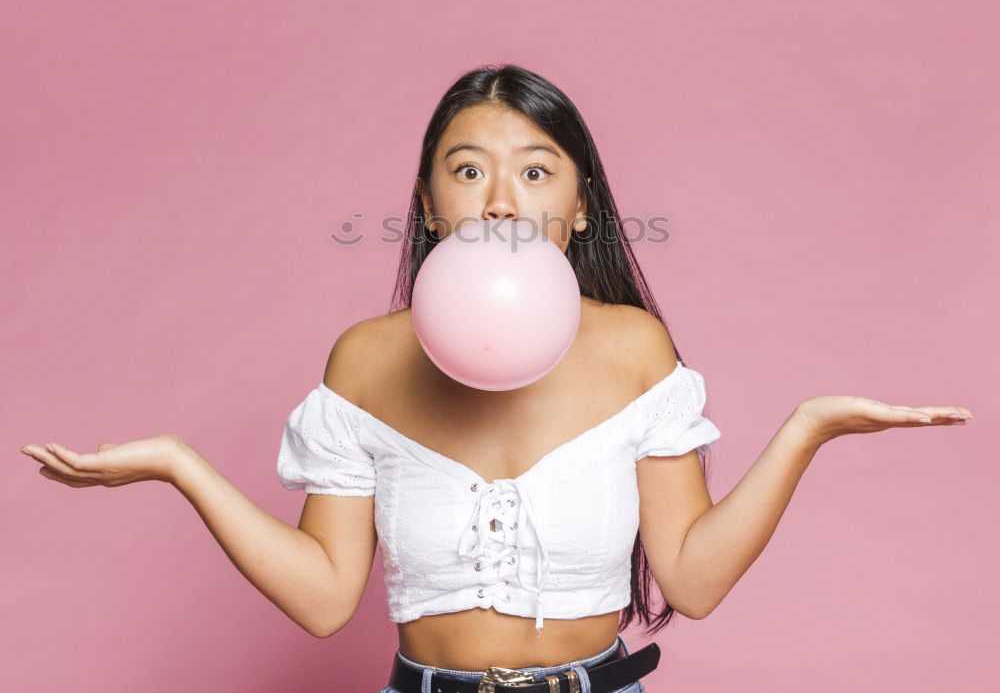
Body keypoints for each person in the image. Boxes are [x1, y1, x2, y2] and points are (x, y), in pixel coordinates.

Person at [20, 64, 973, 693]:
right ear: (431, 206)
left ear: (584, 205)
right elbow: (321, 599)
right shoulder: (364, 360)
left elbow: (693, 576)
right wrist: (183, 467)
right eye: (468, 170)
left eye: (537, 170)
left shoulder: (637, 348)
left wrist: (806, 428)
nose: (503, 200)